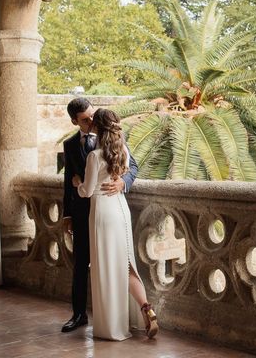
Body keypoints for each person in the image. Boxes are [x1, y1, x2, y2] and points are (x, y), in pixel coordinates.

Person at [73, 108, 158, 340]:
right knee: (127, 264)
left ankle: (111, 326)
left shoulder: (94, 156)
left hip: (102, 212)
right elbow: (129, 169)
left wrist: (77, 183)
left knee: (105, 268)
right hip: (121, 210)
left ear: (97, 128)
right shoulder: (122, 153)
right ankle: (146, 309)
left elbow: (88, 191)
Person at [61, 98, 139, 333]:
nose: (92, 120)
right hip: (82, 214)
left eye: (92, 115)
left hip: (107, 213)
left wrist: (122, 183)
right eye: (85, 119)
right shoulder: (70, 145)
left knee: (115, 263)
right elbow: (68, 181)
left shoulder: (113, 140)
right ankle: (79, 315)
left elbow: (133, 167)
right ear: (75, 121)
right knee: (80, 264)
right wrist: (67, 215)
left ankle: (115, 316)